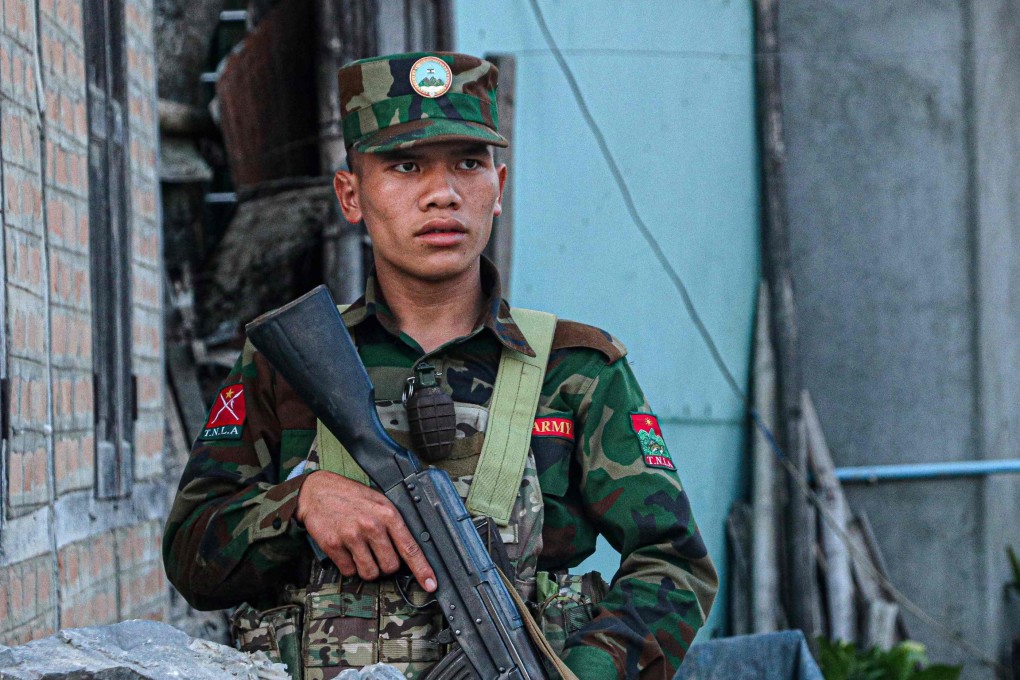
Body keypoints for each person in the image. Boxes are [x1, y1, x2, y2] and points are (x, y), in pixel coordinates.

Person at [163, 51, 717, 680]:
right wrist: (300, 505)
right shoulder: (286, 366)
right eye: (405, 166)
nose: (443, 194)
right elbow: (190, 555)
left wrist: (584, 673)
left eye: (469, 164)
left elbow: (674, 563)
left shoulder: (576, 370)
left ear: (499, 188)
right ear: (351, 194)